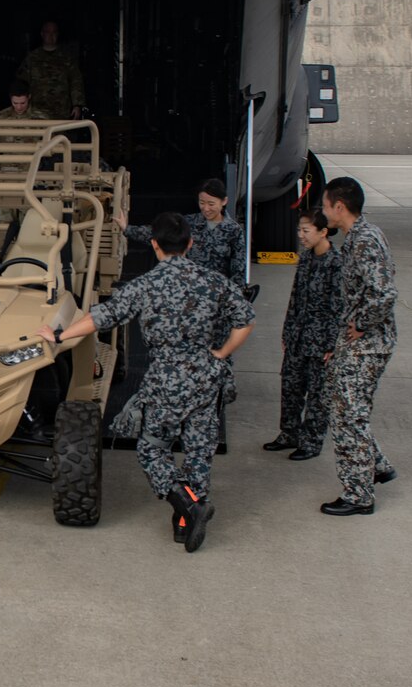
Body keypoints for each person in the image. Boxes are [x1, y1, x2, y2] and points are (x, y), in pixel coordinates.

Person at [39, 212, 252, 551]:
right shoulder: (214, 281)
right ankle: (185, 522)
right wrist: (221, 353)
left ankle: (188, 505)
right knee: (198, 452)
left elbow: (100, 319)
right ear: (190, 244)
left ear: (154, 245)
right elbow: (245, 320)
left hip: (167, 380)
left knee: (152, 449)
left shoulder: (146, 285)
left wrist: (59, 335)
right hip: (206, 376)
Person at [319, 176, 398, 516]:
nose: (323, 213)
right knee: (337, 399)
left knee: (348, 414)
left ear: (340, 206)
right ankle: (376, 465)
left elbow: (384, 294)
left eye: (325, 206)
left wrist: (361, 324)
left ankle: (358, 494)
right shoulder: (357, 238)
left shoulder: (364, 240)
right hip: (356, 342)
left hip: (368, 343)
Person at [266, 208, 342, 459]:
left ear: (323, 232)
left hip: (320, 340)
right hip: (299, 336)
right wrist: (287, 332)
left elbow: (337, 307)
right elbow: (295, 297)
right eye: (299, 230)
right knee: (290, 386)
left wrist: (332, 344)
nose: (301, 235)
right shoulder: (307, 258)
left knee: (317, 395)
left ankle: (311, 441)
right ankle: (289, 433)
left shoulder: (336, 263)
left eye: (306, 231)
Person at [117, 179, 244, 283]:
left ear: (224, 201)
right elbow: (160, 232)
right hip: (188, 287)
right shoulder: (189, 222)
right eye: (202, 203)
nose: (206, 208)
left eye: (211, 204)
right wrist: (127, 228)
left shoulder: (233, 230)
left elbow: (238, 268)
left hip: (216, 292)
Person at [16, 19, 85, 118]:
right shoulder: (32, 58)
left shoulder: (66, 58)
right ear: (42, 34)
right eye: (48, 32)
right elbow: (21, 84)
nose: (51, 35)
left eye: (54, 32)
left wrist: (77, 105)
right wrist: (21, 106)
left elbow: (76, 81)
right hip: (37, 110)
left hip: (62, 110)